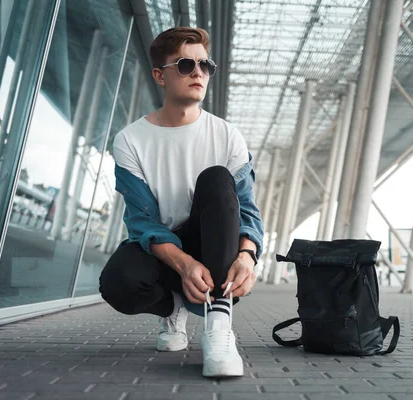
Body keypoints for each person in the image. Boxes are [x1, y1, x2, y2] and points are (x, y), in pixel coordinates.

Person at [98, 27, 264, 378]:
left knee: (217, 179)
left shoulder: (227, 135)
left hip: (213, 244)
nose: (199, 73)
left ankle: (219, 327)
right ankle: (172, 308)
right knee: (117, 284)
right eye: (186, 65)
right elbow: (142, 221)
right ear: (160, 76)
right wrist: (184, 264)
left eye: (206, 65)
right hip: (163, 248)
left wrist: (247, 256)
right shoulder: (131, 140)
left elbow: (246, 209)